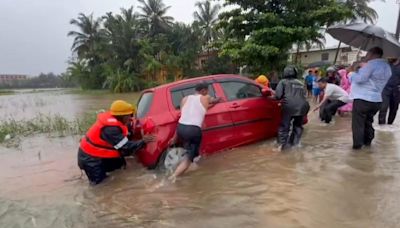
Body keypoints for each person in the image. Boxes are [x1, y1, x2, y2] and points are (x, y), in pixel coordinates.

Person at [77, 100, 155, 185]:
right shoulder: (111, 129)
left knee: (119, 167)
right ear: (123, 116)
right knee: (100, 186)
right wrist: (143, 141)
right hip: (90, 159)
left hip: (97, 153)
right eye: (129, 116)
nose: (131, 118)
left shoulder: (116, 120)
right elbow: (126, 146)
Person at [169, 82, 220, 180]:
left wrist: (174, 138)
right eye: (207, 91)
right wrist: (219, 98)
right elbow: (214, 100)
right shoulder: (206, 97)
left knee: (189, 151)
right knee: (189, 158)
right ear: (203, 91)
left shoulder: (185, 99)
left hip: (181, 128)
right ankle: (173, 177)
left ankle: (190, 166)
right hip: (193, 130)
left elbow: (184, 116)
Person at [350, 47, 392, 150]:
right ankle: (368, 143)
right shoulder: (387, 67)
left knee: (358, 124)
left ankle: (357, 147)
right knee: (368, 121)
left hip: (362, 99)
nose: (366, 55)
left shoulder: (371, 65)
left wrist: (351, 73)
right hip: (377, 100)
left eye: (368, 53)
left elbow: (360, 79)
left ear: (372, 54)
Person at [275, 66, 310, 151]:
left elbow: (278, 96)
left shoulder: (283, 82)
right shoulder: (301, 83)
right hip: (304, 107)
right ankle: (295, 145)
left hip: (289, 106)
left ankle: (281, 146)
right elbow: (305, 95)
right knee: (298, 126)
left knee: (284, 126)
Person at [378, 58, 400, 125]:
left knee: (394, 109)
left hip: (397, 90)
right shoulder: (385, 65)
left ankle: (390, 125)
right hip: (385, 89)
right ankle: (381, 126)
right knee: (383, 107)